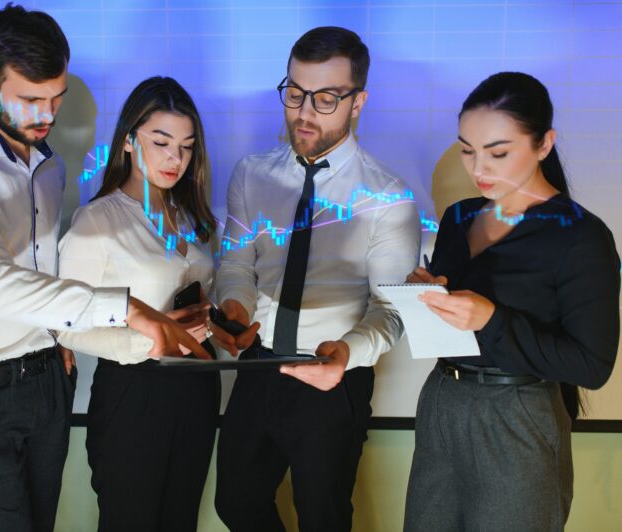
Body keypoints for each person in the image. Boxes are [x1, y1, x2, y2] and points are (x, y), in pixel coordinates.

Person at [0, 6, 206, 532]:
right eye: (31, 99)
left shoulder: (49, 165)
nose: (47, 114)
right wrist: (128, 310)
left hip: (45, 381)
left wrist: (61, 341)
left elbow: (45, 270)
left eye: (56, 97)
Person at [213, 26, 421, 531]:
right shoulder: (251, 173)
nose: (304, 112)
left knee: (324, 518)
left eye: (325, 98)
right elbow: (239, 265)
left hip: (334, 378)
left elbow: (391, 310)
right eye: (295, 92)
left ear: (358, 102)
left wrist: (348, 353)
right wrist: (236, 308)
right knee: (235, 503)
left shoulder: (388, 196)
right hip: (259, 365)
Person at [403, 72, 620, 532]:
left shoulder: (582, 236)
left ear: (544, 144)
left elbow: (592, 366)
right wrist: (424, 295)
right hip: (441, 400)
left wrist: (491, 318)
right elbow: (450, 320)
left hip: (517, 410)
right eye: (467, 149)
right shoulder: (458, 218)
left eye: (498, 152)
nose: (479, 168)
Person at [57, 76, 220, 532]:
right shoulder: (98, 221)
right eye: (162, 142)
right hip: (135, 395)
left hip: (198, 390)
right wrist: (150, 340)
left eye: (187, 146)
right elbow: (66, 323)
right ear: (129, 140)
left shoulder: (191, 215)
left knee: (180, 521)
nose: (176, 158)